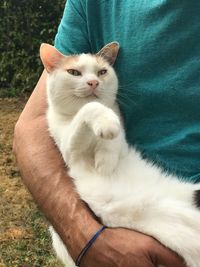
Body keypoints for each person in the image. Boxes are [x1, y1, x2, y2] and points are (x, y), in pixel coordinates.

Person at [14, 0, 200, 266]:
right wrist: (87, 238)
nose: (91, 81)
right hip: (128, 217)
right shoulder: (93, 5)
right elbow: (30, 127)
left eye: (101, 72)